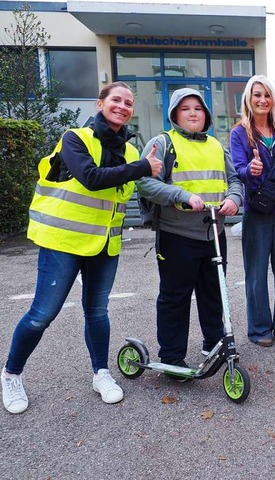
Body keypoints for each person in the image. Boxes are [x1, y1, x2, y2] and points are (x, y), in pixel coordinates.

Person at [1, 81, 162, 414]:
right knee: (41, 315)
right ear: (99, 104)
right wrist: (143, 167)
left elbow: (141, 186)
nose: (122, 106)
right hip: (63, 241)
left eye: (128, 102)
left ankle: (100, 372)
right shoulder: (75, 138)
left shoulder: (132, 152)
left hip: (105, 244)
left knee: (97, 312)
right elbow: (91, 177)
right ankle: (11, 374)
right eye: (116, 99)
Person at [136, 88, 243, 374]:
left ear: (206, 114)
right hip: (177, 236)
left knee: (213, 294)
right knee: (175, 297)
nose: (193, 112)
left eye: (198, 107)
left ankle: (213, 344)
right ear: (174, 114)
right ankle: (171, 357)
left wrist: (234, 198)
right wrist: (180, 195)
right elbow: (145, 182)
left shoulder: (217, 146)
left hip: (214, 235)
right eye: (185, 108)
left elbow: (234, 180)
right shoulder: (162, 143)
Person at [230, 75, 275, 347]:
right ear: (249, 98)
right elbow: (237, 169)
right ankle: (259, 329)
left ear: (273, 100)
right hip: (257, 212)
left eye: (266, 95)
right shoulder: (239, 133)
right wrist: (250, 170)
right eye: (257, 95)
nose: (262, 100)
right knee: (256, 274)